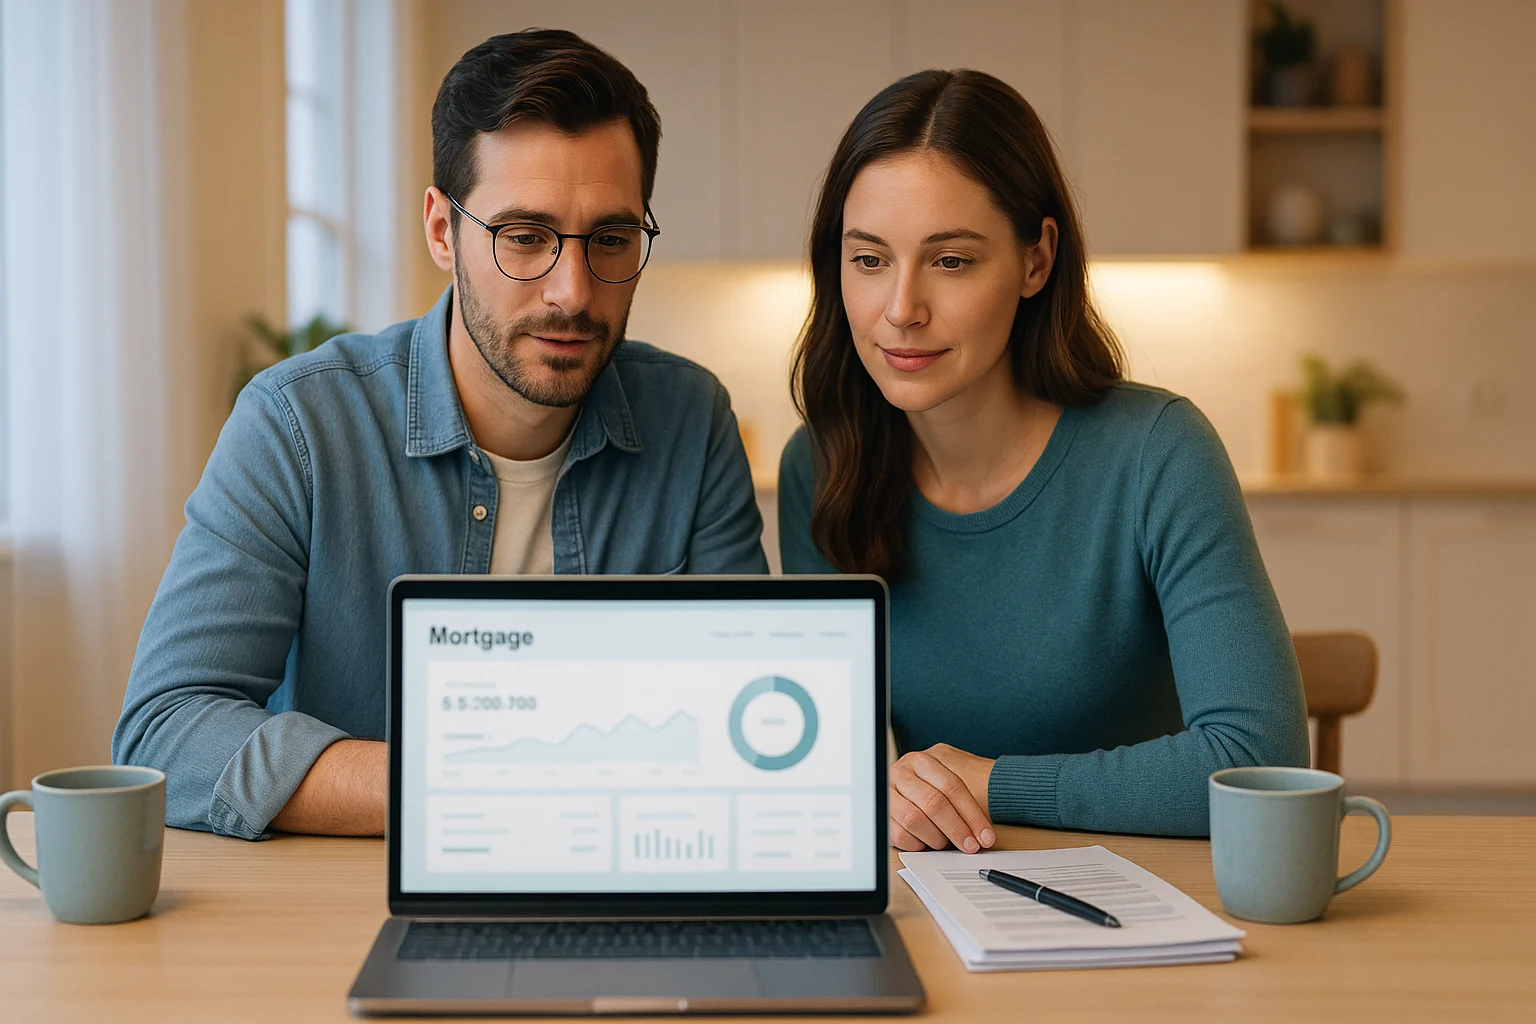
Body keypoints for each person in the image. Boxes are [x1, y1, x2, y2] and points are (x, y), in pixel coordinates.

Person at [114, 30, 767, 841]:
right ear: (440, 229)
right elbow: (165, 733)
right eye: (524, 237)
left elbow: (751, 716)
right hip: (350, 912)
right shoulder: (300, 425)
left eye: (611, 239)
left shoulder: (692, 419)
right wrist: (457, 788)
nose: (572, 291)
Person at [778, 69, 1309, 845]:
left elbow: (1257, 762)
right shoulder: (822, 468)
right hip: (949, 904)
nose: (901, 309)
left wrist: (987, 781)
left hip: (1158, 901)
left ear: (1036, 260)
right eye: (869, 260)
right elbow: (834, 769)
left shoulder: (1158, 453)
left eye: (950, 260)